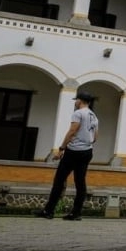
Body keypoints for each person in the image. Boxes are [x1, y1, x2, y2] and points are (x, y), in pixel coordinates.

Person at [36, 91, 98, 221]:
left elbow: (72, 131)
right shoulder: (94, 116)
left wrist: (61, 148)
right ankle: (76, 213)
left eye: (76, 100)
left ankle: (49, 210)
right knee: (80, 182)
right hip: (87, 151)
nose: (75, 102)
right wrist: (85, 142)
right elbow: (95, 137)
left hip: (74, 151)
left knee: (59, 180)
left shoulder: (78, 113)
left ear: (80, 101)